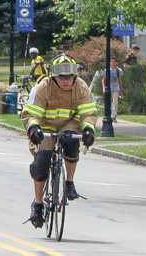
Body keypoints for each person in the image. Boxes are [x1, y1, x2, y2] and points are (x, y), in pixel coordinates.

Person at [22, 53, 98, 228]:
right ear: (53, 76)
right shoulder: (43, 87)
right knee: (41, 162)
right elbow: (31, 113)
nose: (66, 81)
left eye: (70, 77)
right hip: (45, 127)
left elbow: (88, 112)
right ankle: (38, 204)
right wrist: (34, 129)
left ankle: (69, 183)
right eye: (62, 77)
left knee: (72, 143)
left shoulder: (81, 87)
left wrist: (88, 130)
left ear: (75, 76)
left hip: (68, 125)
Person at [101, 56, 125, 122]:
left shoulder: (118, 70)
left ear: (116, 62)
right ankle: (107, 115)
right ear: (110, 62)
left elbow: (120, 80)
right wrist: (104, 88)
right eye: (112, 62)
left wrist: (121, 90)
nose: (113, 63)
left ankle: (113, 116)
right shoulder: (107, 70)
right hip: (109, 88)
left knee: (115, 103)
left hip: (116, 88)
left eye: (114, 62)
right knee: (108, 103)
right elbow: (103, 80)